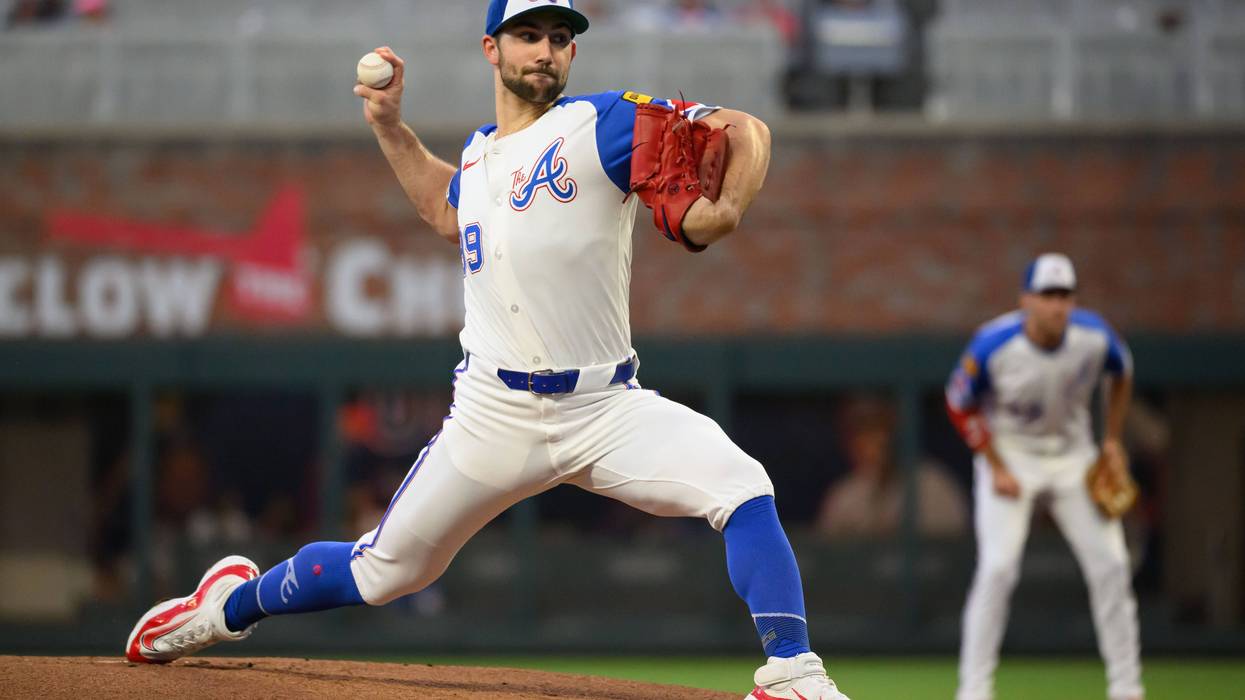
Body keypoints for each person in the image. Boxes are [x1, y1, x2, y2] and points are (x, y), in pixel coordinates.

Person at [124, 2, 849, 698]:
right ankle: (223, 608)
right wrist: (389, 127)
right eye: (526, 33)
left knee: (741, 485)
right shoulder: (478, 157)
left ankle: (792, 674)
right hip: (492, 413)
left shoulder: (601, 122)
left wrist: (727, 206)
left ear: (572, 51)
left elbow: (745, 129)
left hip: (604, 406)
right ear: (490, 49)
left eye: (559, 36)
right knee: (383, 572)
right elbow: (447, 209)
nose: (544, 48)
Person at [945, 253, 1144, 700]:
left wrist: (1112, 439)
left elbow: (1123, 373)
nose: (1058, 305)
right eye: (1049, 295)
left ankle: (1127, 688)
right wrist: (995, 465)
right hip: (1010, 456)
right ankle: (974, 690)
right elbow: (958, 403)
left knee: (1111, 565)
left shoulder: (1094, 336)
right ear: (1027, 299)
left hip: (1075, 459)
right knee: (997, 569)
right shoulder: (994, 343)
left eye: (1065, 295)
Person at [816, 395, 967, 539]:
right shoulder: (844, 496)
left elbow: (952, 554)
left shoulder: (935, 486)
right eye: (862, 430)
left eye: (878, 427)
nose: (872, 441)